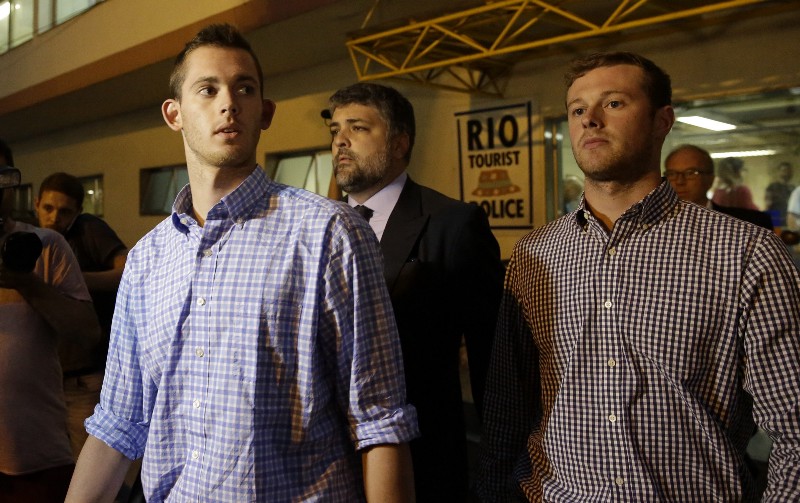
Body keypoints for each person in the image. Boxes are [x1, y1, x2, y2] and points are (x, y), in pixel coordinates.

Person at [66, 24, 418, 502]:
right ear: (175, 114)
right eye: (207, 90)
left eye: (244, 89)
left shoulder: (329, 234)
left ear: (264, 112)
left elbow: (379, 424)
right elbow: (118, 426)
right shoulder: (147, 259)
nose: (228, 102)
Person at [477, 51, 800, 501]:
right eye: (576, 109)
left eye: (612, 103)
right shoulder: (535, 253)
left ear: (662, 121)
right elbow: (506, 412)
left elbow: (794, 431)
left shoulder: (746, 253)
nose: (589, 119)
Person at [328, 82, 504, 501]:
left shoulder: (453, 223)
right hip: (327, 463)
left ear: (400, 141)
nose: (340, 141)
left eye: (357, 128)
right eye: (335, 130)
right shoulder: (318, 226)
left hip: (422, 460)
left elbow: (490, 357)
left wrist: (500, 466)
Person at [0, 144, 101, 502]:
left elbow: (86, 332)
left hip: (35, 455)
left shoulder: (47, 245)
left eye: (3, 180)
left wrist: (26, 283)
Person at [35, 171, 128, 459]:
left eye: (64, 212)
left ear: (78, 212)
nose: (54, 218)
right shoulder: (32, 238)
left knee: (90, 465)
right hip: (49, 375)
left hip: (84, 376)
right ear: (36, 204)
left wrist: (74, 279)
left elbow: (128, 269)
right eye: (48, 208)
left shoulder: (88, 229)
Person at [664, 144, 773, 229]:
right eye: (672, 174)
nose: (679, 181)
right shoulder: (653, 224)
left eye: (691, 173)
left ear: (710, 179)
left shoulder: (752, 224)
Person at [764, 161, 794, 227]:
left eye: (789, 171)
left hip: (790, 221)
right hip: (776, 220)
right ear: (779, 172)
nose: (787, 173)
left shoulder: (793, 189)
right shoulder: (772, 187)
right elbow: (768, 205)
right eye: (784, 170)